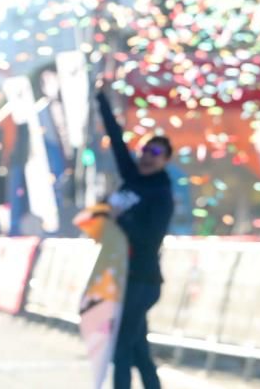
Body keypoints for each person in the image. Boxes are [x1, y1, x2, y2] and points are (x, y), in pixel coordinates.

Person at [95, 83, 174, 389]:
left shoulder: (161, 194)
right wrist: (101, 99)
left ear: (166, 160)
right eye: (145, 149)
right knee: (138, 350)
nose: (146, 156)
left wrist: (119, 220)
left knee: (121, 348)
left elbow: (150, 238)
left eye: (156, 153)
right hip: (125, 278)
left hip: (143, 281)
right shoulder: (132, 177)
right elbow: (116, 140)